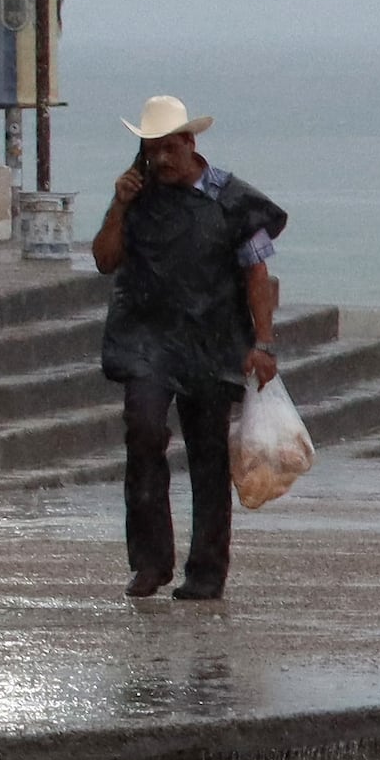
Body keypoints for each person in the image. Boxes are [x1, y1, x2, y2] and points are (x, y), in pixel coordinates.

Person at [89, 94, 286, 605]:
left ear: (191, 143)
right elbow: (105, 260)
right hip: (147, 339)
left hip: (213, 339)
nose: (160, 161)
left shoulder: (232, 200)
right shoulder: (137, 198)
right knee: (144, 432)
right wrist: (118, 205)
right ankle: (149, 562)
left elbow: (257, 274)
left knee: (208, 454)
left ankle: (206, 571)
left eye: (168, 150)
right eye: (151, 151)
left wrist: (262, 342)